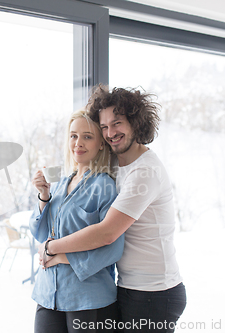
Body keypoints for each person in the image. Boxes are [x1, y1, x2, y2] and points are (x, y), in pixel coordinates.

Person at [41, 86, 187, 333]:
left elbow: (107, 233)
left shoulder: (145, 172)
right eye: (104, 126)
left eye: (117, 123)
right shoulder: (117, 165)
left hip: (154, 292)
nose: (110, 133)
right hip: (128, 287)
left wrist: (50, 247)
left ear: (136, 123)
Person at [30, 109, 125, 333]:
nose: (78, 143)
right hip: (47, 294)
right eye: (73, 135)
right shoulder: (61, 184)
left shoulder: (104, 186)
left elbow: (113, 248)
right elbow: (41, 233)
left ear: (101, 144)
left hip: (89, 299)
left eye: (87, 136)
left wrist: (62, 257)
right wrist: (44, 195)